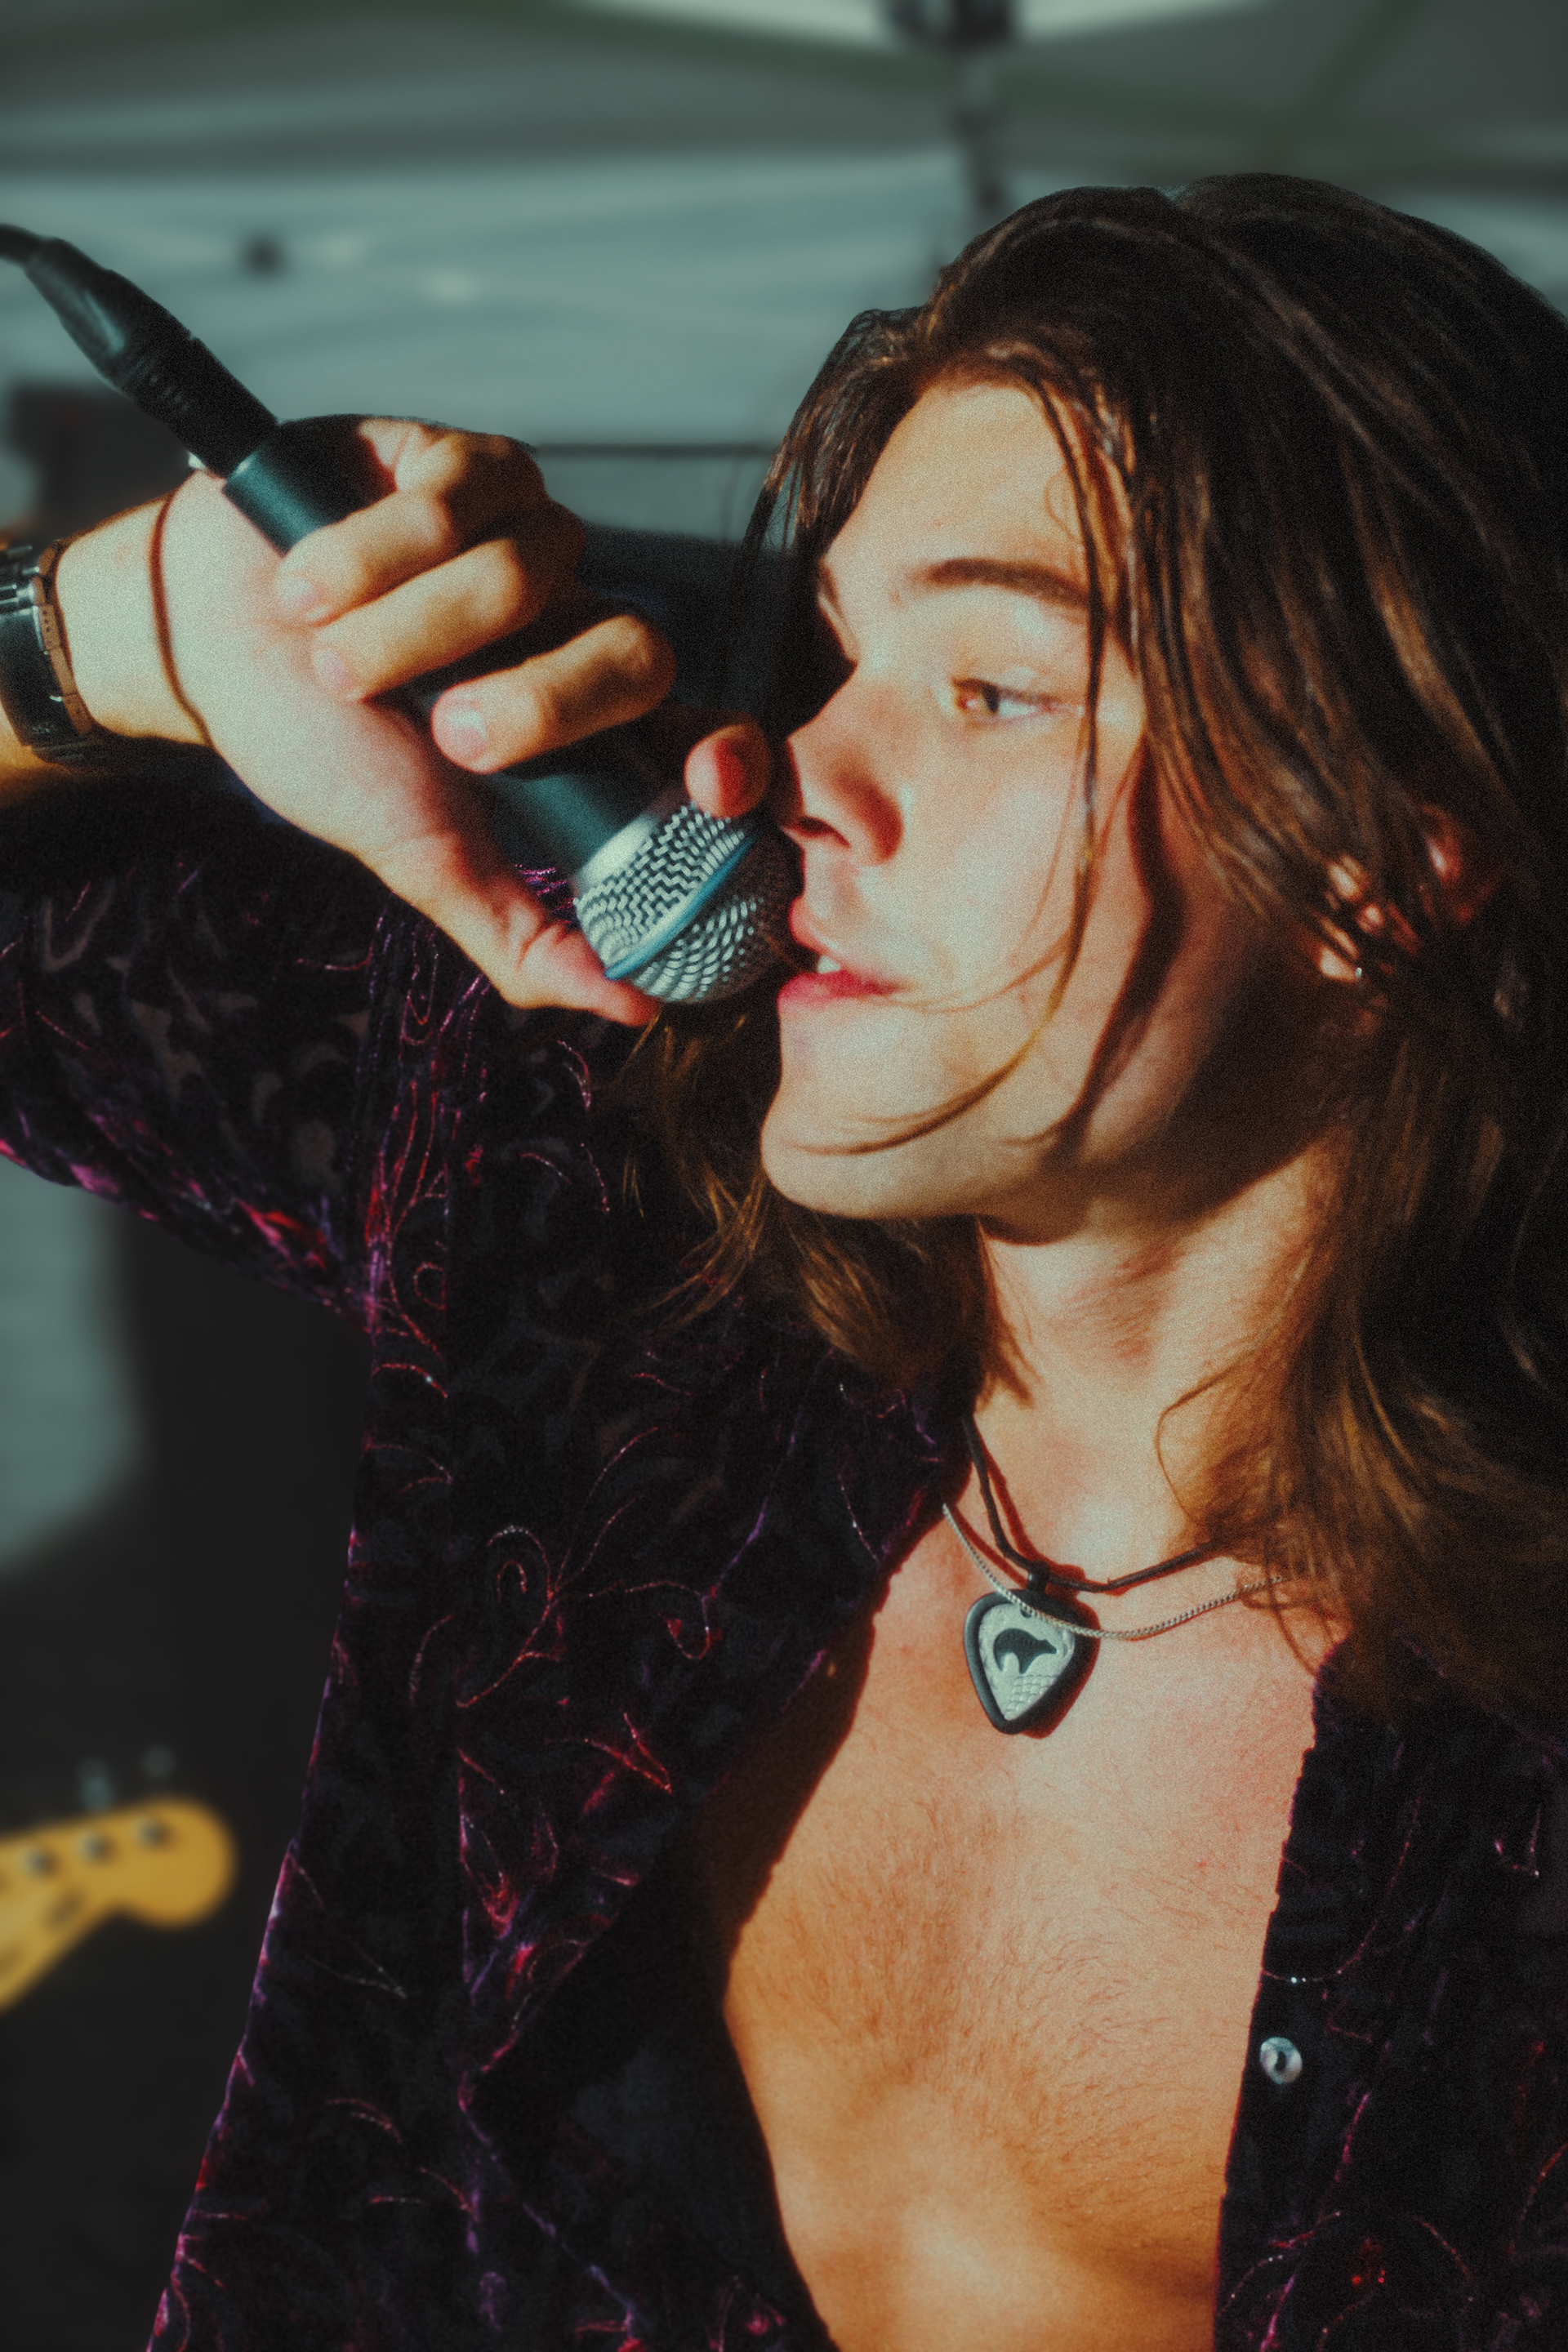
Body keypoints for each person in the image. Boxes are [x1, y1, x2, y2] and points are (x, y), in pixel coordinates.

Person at [1, 172, 1566, 2352]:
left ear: (1390, 862)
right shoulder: (592, 1200)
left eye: (992, 688)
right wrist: (111, 640)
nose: (785, 773)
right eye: (834, 656)